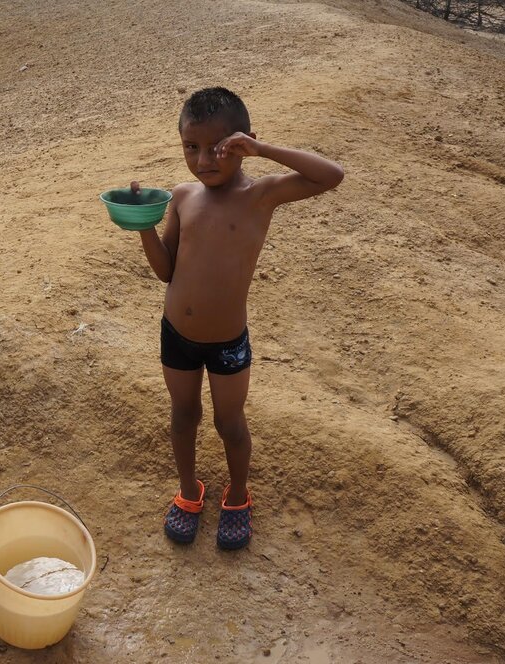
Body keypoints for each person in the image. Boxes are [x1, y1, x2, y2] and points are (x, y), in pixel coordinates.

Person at [136, 87, 344, 549]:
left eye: (218, 147)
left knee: (229, 423)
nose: (203, 159)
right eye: (191, 146)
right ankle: (189, 491)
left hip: (228, 342)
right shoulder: (182, 197)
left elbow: (331, 175)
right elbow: (166, 270)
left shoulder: (260, 195)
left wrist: (262, 149)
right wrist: (143, 224)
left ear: (242, 142)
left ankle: (236, 496)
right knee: (183, 414)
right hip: (177, 334)